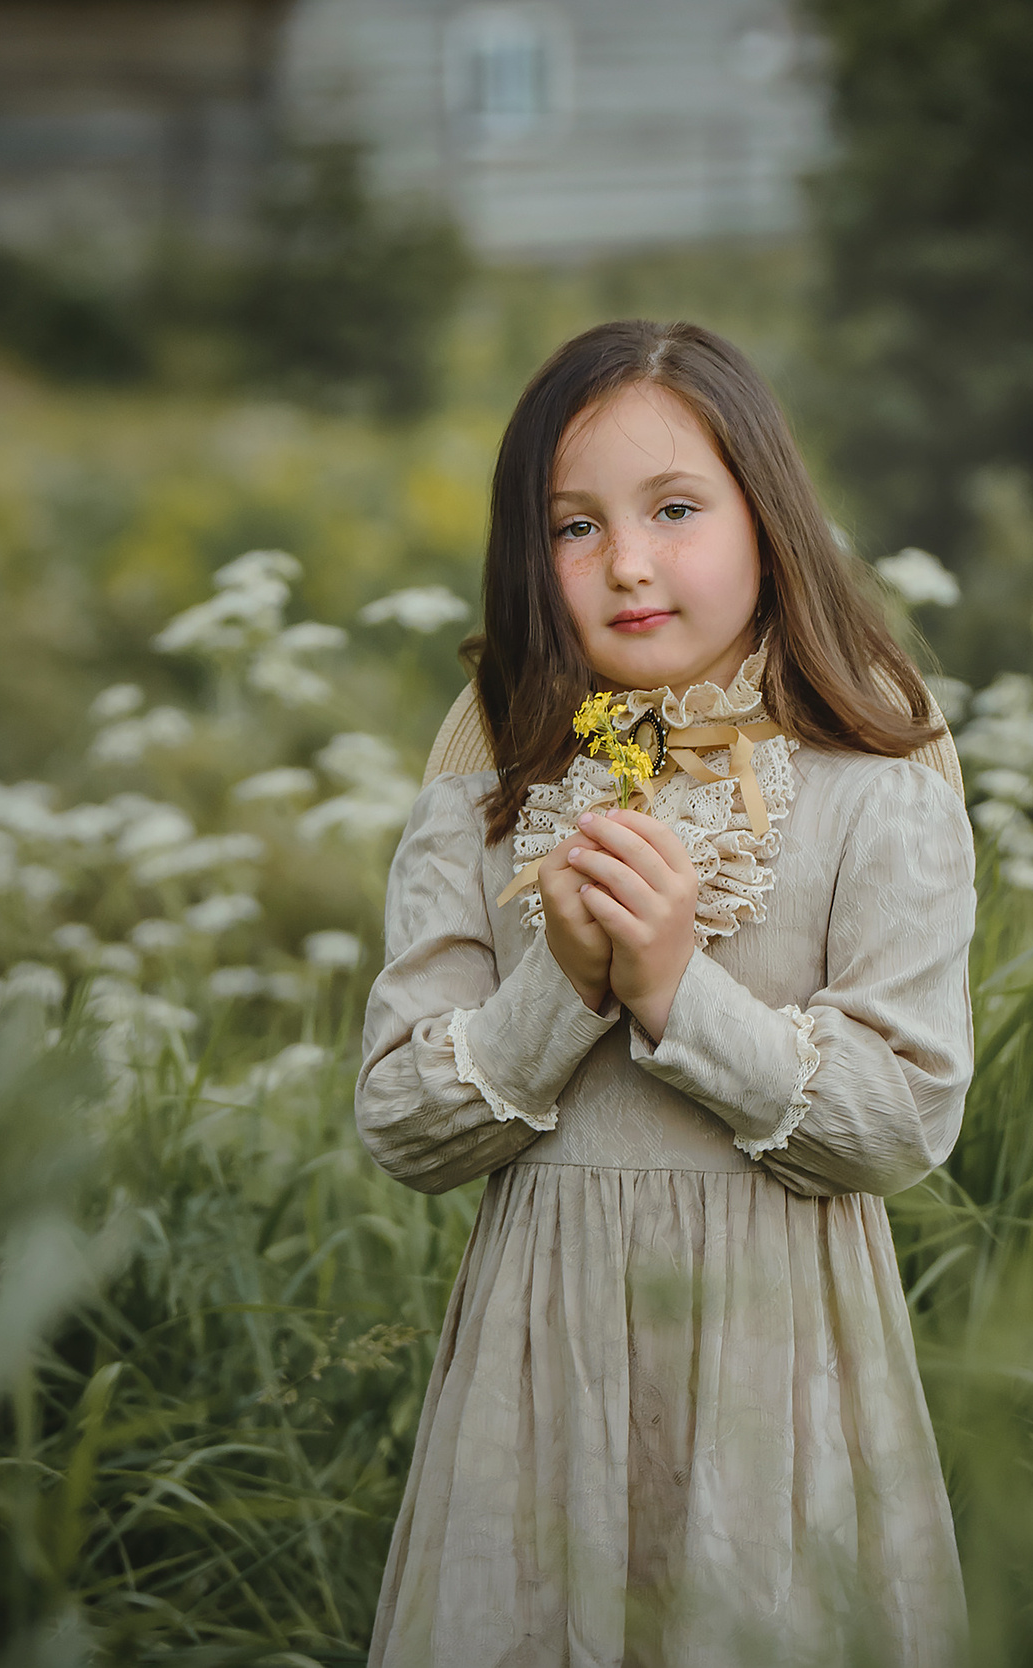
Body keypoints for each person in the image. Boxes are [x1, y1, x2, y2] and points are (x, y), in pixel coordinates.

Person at [356, 319, 975, 1667]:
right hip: (541, 1374)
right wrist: (562, 990)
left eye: (676, 509)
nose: (627, 561)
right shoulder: (485, 793)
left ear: (770, 522)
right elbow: (403, 1121)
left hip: (782, 1365)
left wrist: (677, 992)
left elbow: (901, 1121)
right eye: (573, 528)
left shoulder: (880, 788)